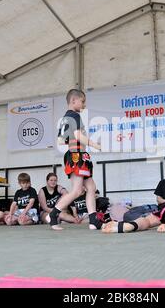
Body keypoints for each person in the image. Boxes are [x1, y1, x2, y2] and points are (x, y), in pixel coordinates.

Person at [47, 89, 102, 230]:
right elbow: (77, 136)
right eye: (82, 101)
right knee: (77, 191)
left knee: (91, 187)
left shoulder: (66, 118)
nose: (83, 105)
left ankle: (93, 220)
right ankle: (54, 214)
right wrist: (93, 143)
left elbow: (61, 140)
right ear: (73, 101)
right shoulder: (74, 116)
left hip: (79, 156)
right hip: (77, 156)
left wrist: (76, 142)